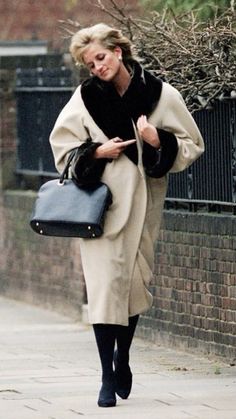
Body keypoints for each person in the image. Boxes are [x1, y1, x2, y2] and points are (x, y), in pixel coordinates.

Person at [49, 23, 204, 408]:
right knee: (104, 291)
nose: (97, 67)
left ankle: (124, 358)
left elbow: (191, 144)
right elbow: (62, 147)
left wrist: (157, 141)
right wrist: (96, 153)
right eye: (90, 64)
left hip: (145, 206)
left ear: (118, 51)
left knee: (134, 287)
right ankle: (105, 374)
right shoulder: (84, 99)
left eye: (100, 58)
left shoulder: (161, 95)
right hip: (101, 209)